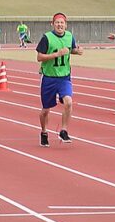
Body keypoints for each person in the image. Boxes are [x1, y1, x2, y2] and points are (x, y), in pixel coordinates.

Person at [35, 12, 82, 146]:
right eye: (57, 22)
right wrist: (56, 54)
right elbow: (39, 57)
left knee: (68, 102)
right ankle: (44, 131)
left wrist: (77, 51)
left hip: (64, 77)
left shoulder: (69, 36)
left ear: (66, 25)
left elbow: (71, 49)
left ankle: (64, 130)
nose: (60, 25)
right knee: (46, 110)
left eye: (62, 23)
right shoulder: (47, 38)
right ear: (53, 24)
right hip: (49, 77)